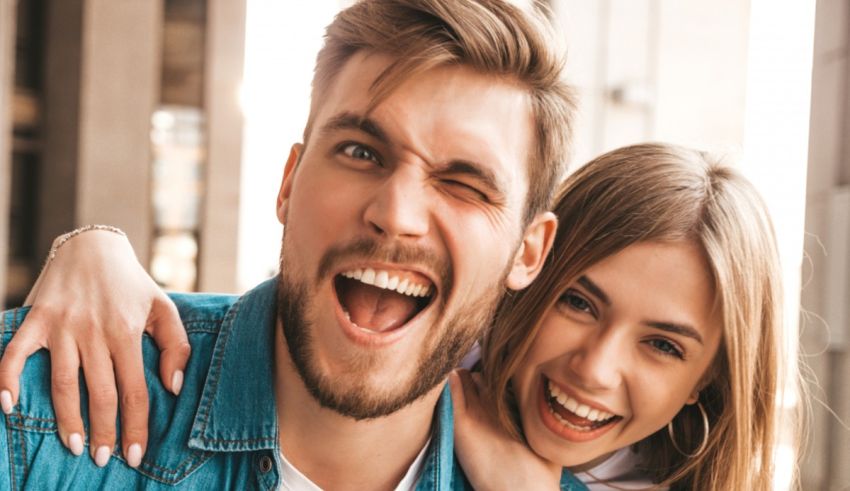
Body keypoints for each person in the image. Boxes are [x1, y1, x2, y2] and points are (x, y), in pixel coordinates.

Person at [0, 0, 585, 489]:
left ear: (529, 251)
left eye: (463, 184)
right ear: (288, 184)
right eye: (361, 152)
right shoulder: (39, 410)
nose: (395, 215)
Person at [450, 143, 797, 490]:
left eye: (662, 345)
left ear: (706, 378)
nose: (594, 371)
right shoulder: (418, 389)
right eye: (579, 304)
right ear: (532, 273)